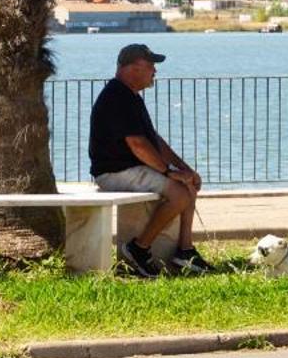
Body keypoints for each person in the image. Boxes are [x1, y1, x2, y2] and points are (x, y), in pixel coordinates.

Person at [90, 43, 212, 277]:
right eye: (151, 66)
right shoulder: (117, 97)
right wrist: (168, 172)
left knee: (187, 184)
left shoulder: (130, 96)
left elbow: (153, 141)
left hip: (130, 169)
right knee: (179, 191)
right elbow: (137, 144)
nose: (155, 72)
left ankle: (185, 251)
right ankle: (138, 248)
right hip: (114, 172)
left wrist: (184, 169)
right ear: (133, 68)